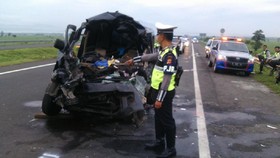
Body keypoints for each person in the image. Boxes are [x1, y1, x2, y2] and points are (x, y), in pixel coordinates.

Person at [126, 22, 178, 158]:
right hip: (156, 90)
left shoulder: (170, 56)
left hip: (164, 93)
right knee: (159, 118)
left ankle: (171, 149)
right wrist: (134, 60)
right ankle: (159, 142)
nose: (156, 36)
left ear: (163, 36)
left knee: (167, 120)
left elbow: (166, 81)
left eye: (158, 34)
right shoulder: (163, 51)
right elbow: (150, 57)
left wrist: (160, 99)